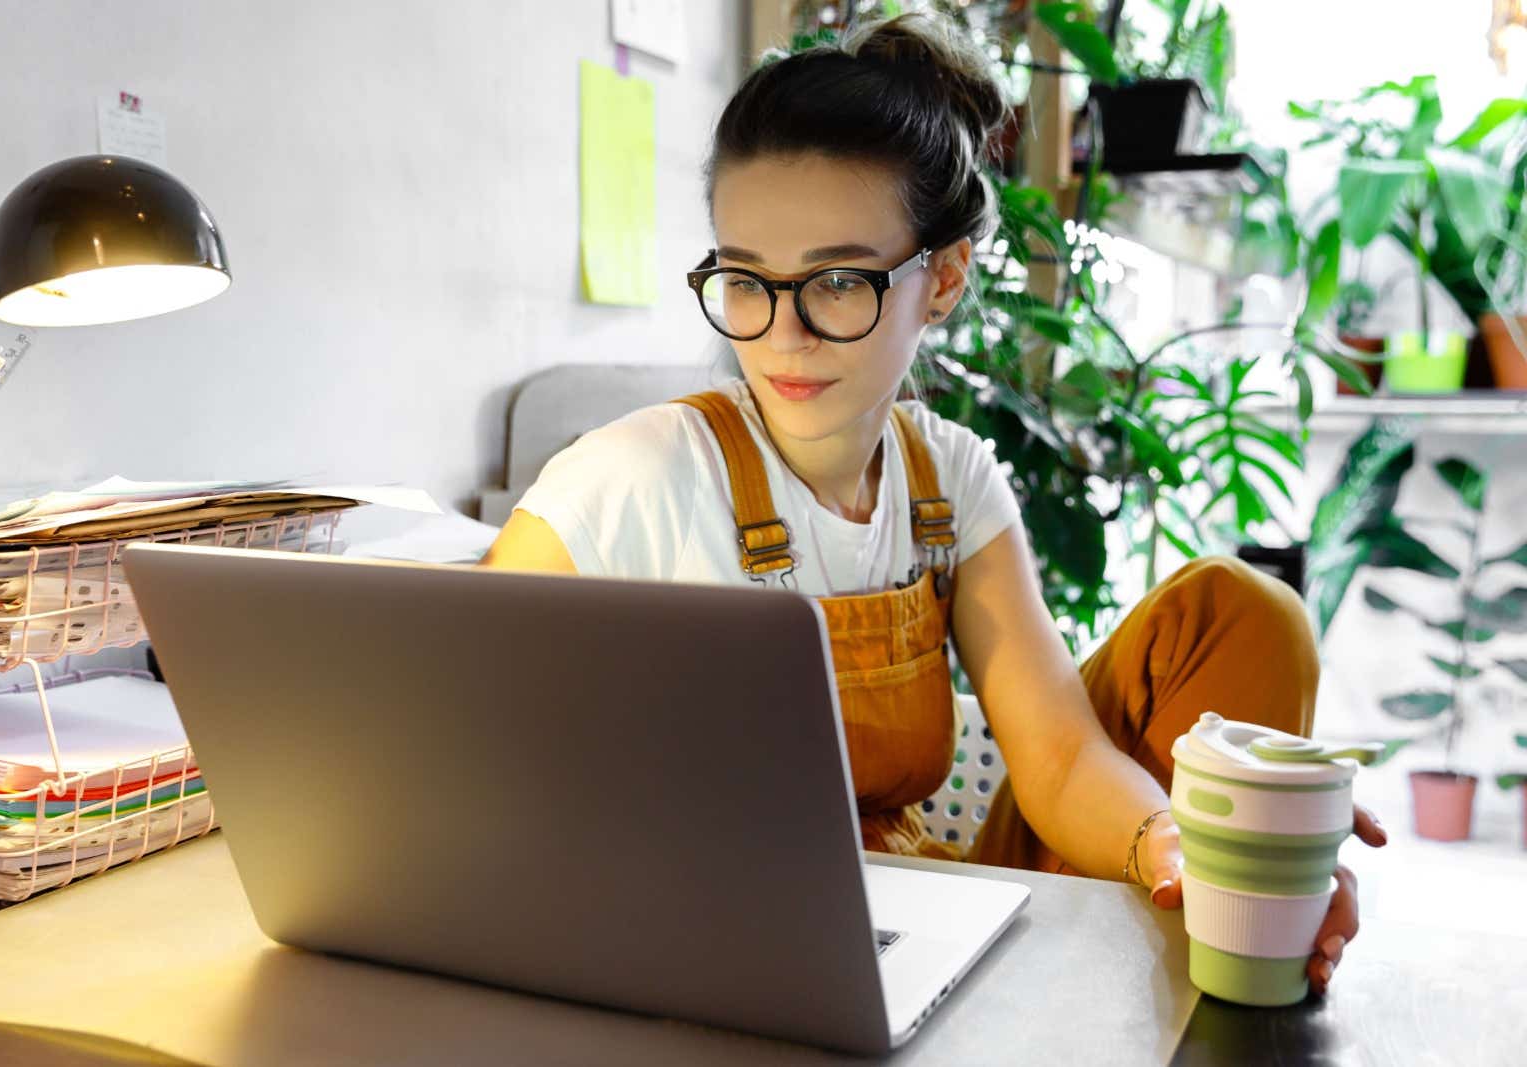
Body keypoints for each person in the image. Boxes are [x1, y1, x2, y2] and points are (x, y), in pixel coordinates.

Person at [482, 13, 1383, 996]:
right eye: (745, 279)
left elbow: (1060, 758)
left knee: (1242, 614)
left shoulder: (948, 479)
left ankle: (1219, 928)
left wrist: (1181, 841)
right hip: (708, 942)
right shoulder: (634, 475)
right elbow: (458, 727)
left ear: (943, 278)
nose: (782, 334)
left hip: (915, 919)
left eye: (836, 281)